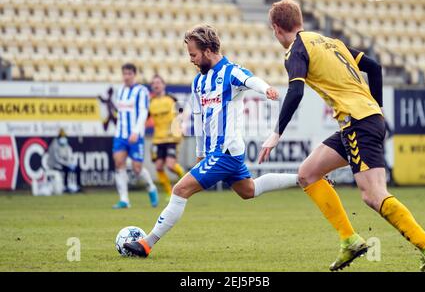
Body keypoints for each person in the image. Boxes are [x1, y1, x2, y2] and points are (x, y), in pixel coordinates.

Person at [258, 0, 425, 272]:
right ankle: (350, 241)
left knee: (373, 194)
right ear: (299, 21)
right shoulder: (331, 43)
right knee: (308, 173)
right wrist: (377, 107)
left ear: (277, 28)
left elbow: (296, 91)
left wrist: (276, 134)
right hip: (362, 120)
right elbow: (374, 67)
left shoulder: (295, 51)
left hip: (358, 122)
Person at [122, 25, 301, 257]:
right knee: (249, 190)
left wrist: (267, 89)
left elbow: (251, 79)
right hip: (220, 153)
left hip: (225, 151)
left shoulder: (230, 72)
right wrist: (199, 152)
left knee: (180, 190)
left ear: (207, 51)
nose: (191, 60)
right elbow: (198, 118)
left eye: (193, 55)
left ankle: (146, 244)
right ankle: (302, 177)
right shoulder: (198, 82)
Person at [112, 63, 159, 209]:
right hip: (120, 134)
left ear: (134, 74)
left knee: (137, 169)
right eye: (124, 74)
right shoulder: (119, 91)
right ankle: (124, 200)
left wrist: (136, 131)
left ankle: (151, 187)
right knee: (119, 163)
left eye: (129, 74)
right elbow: (120, 113)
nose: (126, 77)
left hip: (135, 135)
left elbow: (144, 111)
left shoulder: (141, 91)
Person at [149, 74, 185, 197]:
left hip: (171, 138)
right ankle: (170, 193)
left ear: (163, 85)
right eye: (154, 83)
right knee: (158, 167)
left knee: (170, 165)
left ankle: (185, 178)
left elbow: (182, 114)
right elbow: (145, 118)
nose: (156, 85)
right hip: (158, 139)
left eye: (158, 82)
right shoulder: (151, 102)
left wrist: (179, 127)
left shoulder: (171, 99)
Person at [46, 128, 80, 193]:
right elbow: (57, 159)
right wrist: (67, 164)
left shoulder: (66, 144)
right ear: (59, 137)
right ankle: (65, 186)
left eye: (64, 137)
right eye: (62, 137)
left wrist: (70, 163)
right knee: (66, 168)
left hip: (64, 164)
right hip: (54, 164)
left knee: (77, 168)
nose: (63, 138)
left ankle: (78, 186)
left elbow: (69, 154)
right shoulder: (54, 144)